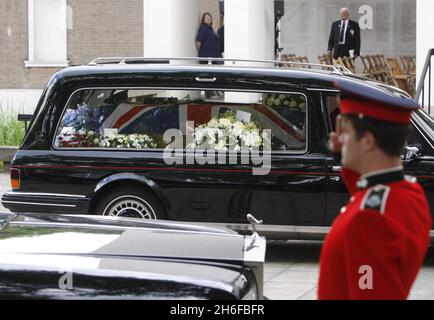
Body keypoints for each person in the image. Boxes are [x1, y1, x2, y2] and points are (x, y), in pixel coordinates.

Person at [318, 80, 432, 300]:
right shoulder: (409, 191)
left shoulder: (368, 221)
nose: (339, 138)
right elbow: (367, 194)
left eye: (347, 133)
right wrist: (343, 157)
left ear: (368, 141)